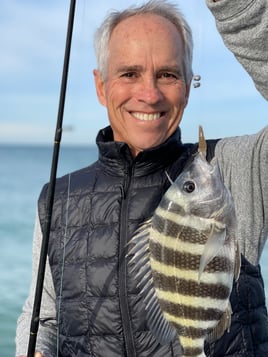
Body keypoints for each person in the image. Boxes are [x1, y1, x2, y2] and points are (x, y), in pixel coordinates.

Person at [16, 0, 268, 356]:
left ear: (187, 83)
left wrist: (233, 8)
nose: (149, 95)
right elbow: (44, 320)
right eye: (129, 73)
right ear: (101, 86)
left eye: (167, 74)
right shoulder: (58, 198)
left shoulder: (233, 168)